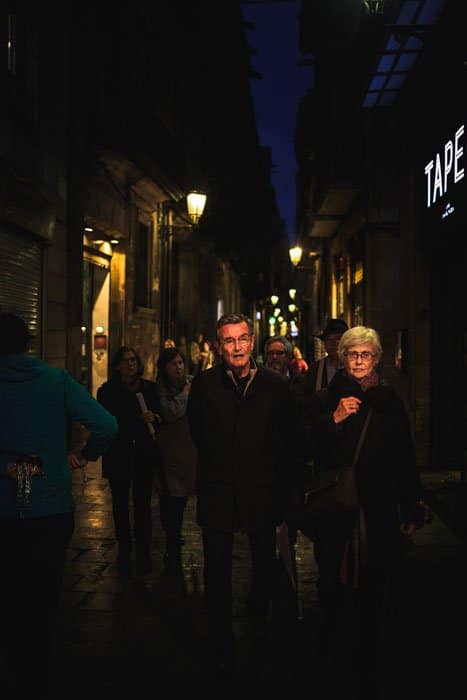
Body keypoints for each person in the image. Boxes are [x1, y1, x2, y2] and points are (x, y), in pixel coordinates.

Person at [303, 325, 425, 698]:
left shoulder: (389, 401)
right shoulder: (327, 398)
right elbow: (304, 445)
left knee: (376, 583)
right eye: (352, 354)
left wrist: (410, 505)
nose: (358, 361)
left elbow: (405, 456)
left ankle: (371, 656)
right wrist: (333, 420)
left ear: (376, 359)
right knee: (333, 581)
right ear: (342, 357)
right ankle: (333, 651)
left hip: (378, 507)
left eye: (365, 355)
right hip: (338, 507)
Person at [0, 312, 117, 695]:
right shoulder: (55, 381)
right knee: (43, 591)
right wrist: (84, 454)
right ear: (27, 343)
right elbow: (107, 425)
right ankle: (36, 669)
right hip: (49, 505)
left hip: (5, 505)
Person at [187, 313, 292, 675]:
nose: (237, 347)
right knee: (217, 569)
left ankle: (258, 624)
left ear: (252, 341)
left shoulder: (275, 385)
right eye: (229, 341)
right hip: (218, 489)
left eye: (242, 339)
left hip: (262, 489)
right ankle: (221, 640)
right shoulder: (204, 385)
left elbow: (285, 439)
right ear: (219, 346)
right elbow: (197, 431)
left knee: (264, 562)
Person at [96, 346, 160, 576]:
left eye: (133, 360)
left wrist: (154, 418)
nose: (131, 364)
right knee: (120, 502)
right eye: (125, 361)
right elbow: (106, 422)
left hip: (143, 454)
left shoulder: (150, 390)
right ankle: (124, 545)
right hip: (119, 453)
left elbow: (159, 416)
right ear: (117, 365)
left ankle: (144, 548)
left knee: (143, 503)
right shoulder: (107, 392)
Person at [154, 347, 197, 560]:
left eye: (181, 363)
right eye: (174, 364)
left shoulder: (190, 382)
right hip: (168, 451)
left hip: (188, 449)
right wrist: (185, 395)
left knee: (181, 497)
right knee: (171, 496)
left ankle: (174, 532)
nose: (178, 367)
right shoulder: (160, 389)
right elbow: (170, 412)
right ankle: (171, 535)